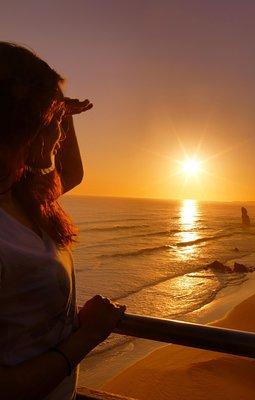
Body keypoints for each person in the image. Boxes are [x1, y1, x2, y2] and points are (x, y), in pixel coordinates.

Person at [0, 42, 126, 400]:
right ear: (23, 125)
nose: (61, 136)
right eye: (56, 121)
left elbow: (71, 172)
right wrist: (88, 336)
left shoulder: (21, 198)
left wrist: (63, 110)